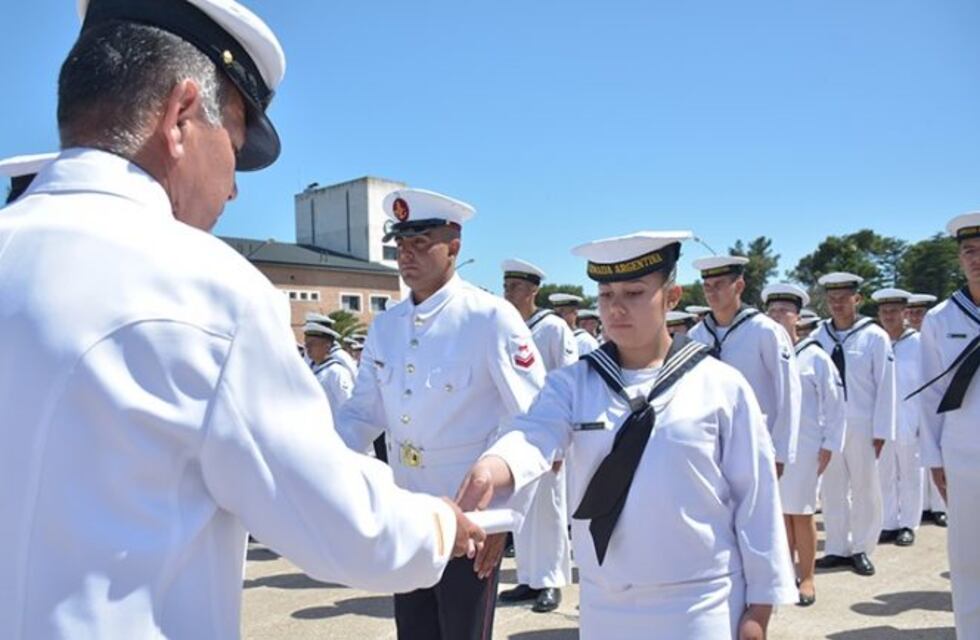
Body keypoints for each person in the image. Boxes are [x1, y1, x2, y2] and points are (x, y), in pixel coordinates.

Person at [0, 2, 486, 637]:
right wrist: (441, 525)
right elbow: (336, 521)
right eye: (231, 145)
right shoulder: (203, 288)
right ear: (179, 116)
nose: (232, 190)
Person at [458, 230, 796, 639]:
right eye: (606, 295)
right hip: (606, 602)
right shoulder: (574, 384)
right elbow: (533, 433)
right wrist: (494, 467)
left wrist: (760, 608)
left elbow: (755, 500)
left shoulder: (721, 385)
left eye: (634, 293)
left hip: (699, 600)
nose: (616, 308)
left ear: (671, 296)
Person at [335, 188, 546, 640]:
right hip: (409, 519)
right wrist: (316, 454)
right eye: (400, 246)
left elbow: (535, 422)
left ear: (454, 247)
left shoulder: (490, 318)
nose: (406, 256)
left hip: (471, 523)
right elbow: (362, 413)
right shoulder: (386, 326)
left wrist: (502, 520)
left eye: (420, 243)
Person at [916, 212, 980, 638]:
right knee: (969, 556)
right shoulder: (940, 319)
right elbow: (929, 397)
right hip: (964, 453)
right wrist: (934, 457)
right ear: (959, 260)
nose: (977, 259)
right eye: (969, 252)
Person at [499, 258, 575, 613]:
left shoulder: (554, 327)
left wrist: (561, 442)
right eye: (506, 286)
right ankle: (528, 578)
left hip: (548, 433)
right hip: (513, 432)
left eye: (515, 287)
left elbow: (570, 379)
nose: (508, 292)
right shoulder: (504, 325)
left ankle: (552, 581)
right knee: (522, 510)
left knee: (550, 509)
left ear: (533, 290)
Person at [763, 283, 846, 607]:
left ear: (798, 317)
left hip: (806, 445)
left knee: (801, 512)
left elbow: (836, 404)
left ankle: (807, 577)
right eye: (772, 311)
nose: (778, 316)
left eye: (784, 310)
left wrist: (830, 444)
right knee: (779, 515)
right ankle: (784, 573)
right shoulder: (766, 352)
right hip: (772, 445)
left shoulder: (815, 356)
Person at [812, 272, 897, 577]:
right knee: (832, 488)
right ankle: (835, 546)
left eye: (843, 298)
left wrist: (882, 430)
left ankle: (862, 547)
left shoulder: (874, 336)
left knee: (865, 487)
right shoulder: (818, 336)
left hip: (863, 422)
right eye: (831, 298)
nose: (836, 304)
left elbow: (887, 386)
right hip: (829, 423)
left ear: (856, 299)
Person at [688, 255, 802, 472]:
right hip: (708, 443)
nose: (712, 292)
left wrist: (781, 451)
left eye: (719, 285)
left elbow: (788, 392)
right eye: (707, 286)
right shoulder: (697, 335)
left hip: (755, 440)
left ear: (739, 286)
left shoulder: (765, 330)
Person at [872, 288, 924, 547]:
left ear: (905, 313)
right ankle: (889, 522)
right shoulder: (878, 341)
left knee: (910, 473)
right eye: (884, 311)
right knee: (884, 474)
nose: (888, 316)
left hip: (911, 419)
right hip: (883, 419)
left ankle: (908, 524)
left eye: (894, 311)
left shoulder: (919, 343)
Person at [906, 293, 948, 527]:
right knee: (916, 461)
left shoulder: (936, 335)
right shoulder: (905, 341)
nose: (914, 316)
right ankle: (922, 506)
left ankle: (939, 507)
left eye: (918, 312)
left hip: (936, 407)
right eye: (911, 312)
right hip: (912, 408)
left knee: (936, 455)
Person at [304, 322, 355, 423]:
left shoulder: (337, 372)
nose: (307, 347)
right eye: (306, 343)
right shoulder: (310, 369)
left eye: (312, 343)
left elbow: (348, 406)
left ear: (327, 346)